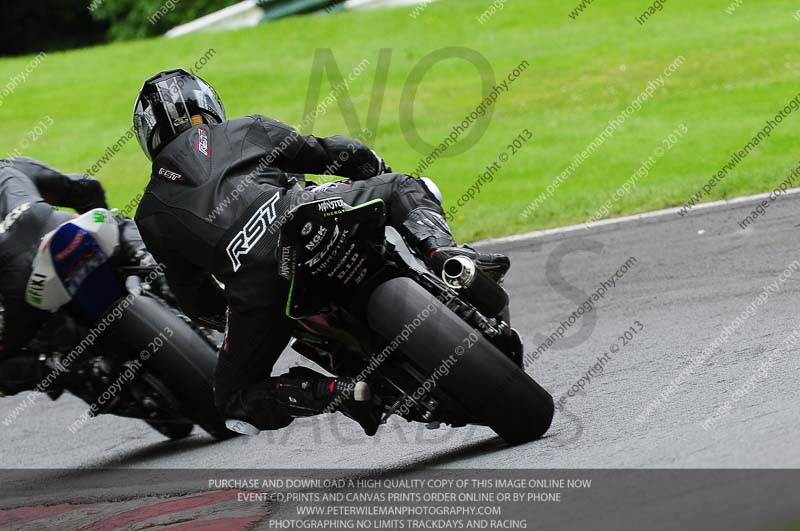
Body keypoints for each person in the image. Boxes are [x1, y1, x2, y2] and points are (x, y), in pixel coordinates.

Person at [132, 69, 510, 436]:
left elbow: (195, 298)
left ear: (149, 138)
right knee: (400, 187)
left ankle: (337, 393)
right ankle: (451, 260)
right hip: (309, 213)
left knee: (233, 401)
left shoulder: (149, 214)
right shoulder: (246, 127)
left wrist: (238, 317)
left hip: (255, 285)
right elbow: (335, 152)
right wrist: (375, 171)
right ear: (208, 105)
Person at [0, 157, 142, 396]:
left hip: (20, 287)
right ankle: (152, 268)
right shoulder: (9, 166)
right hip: (58, 229)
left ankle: (73, 371)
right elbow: (86, 188)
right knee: (116, 223)